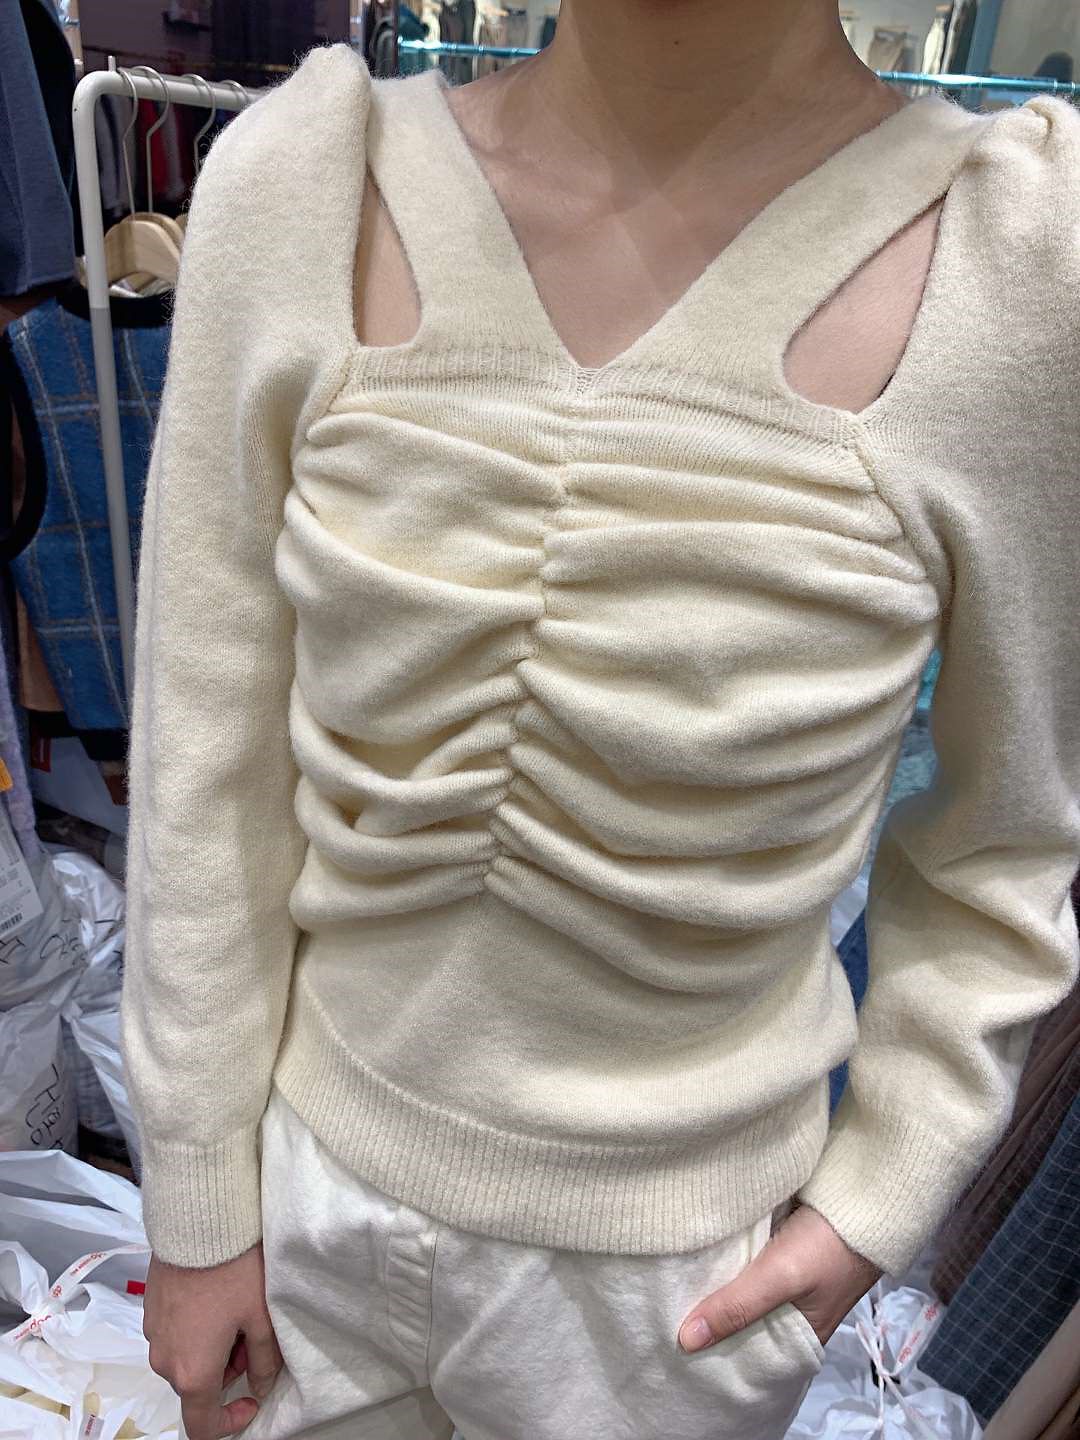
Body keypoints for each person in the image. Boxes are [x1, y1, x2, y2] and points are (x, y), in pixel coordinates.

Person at [120, 2, 1080, 1438]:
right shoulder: (300, 184)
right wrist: (198, 1203)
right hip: (301, 1206)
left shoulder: (1021, 268)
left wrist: (878, 1194)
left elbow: (1009, 834)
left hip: (679, 1297)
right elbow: (206, 760)